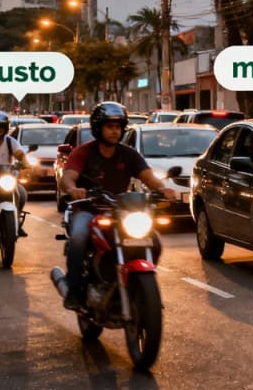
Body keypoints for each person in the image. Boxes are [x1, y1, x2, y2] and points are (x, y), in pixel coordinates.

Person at [60, 102, 176, 311]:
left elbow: (148, 176)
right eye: (109, 126)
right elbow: (68, 177)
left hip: (121, 211)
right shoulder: (83, 153)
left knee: (154, 240)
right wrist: (73, 189)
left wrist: (163, 189)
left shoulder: (128, 154)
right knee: (78, 238)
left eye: (118, 126)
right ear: (98, 128)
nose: (115, 131)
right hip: (89, 209)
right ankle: (74, 290)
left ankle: (139, 286)